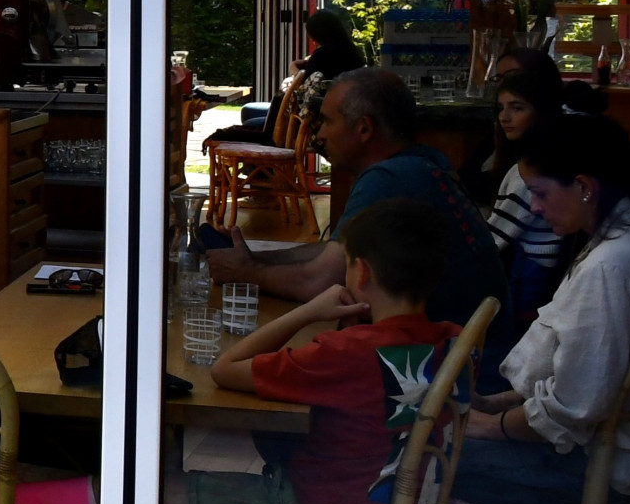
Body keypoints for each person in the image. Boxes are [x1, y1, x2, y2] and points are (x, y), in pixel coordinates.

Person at [185, 198, 462, 504]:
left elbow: (225, 369)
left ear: (361, 273)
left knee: (157, 492)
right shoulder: (452, 341)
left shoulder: (347, 353)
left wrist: (309, 311)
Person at [452, 114, 630, 504]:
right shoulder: (626, 244)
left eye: (540, 193)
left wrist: (486, 426)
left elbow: (571, 410)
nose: (535, 208)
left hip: (584, 472)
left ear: (584, 187)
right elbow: (579, 381)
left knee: (416, 452)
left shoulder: (611, 267)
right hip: (590, 456)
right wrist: (489, 405)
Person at [208, 68, 504, 327]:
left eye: (327, 121)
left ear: (364, 128)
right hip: (463, 351)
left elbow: (321, 281)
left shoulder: (389, 178)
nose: (320, 134)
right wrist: (254, 258)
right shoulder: (422, 162)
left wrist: (246, 272)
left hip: (455, 365)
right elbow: (336, 253)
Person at [473, 48, 573, 370]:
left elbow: (494, 240)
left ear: (540, 113)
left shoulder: (524, 174)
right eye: (501, 108)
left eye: (516, 108)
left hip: (532, 275)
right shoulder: (549, 158)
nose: (504, 118)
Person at [205, 6, 365, 149]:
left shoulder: (323, 54)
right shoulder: (353, 54)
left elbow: (304, 86)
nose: (311, 40)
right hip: (337, 117)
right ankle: (259, 170)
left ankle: (265, 168)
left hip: (305, 122)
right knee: (249, 110)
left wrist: (294, 68)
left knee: (250, 117)